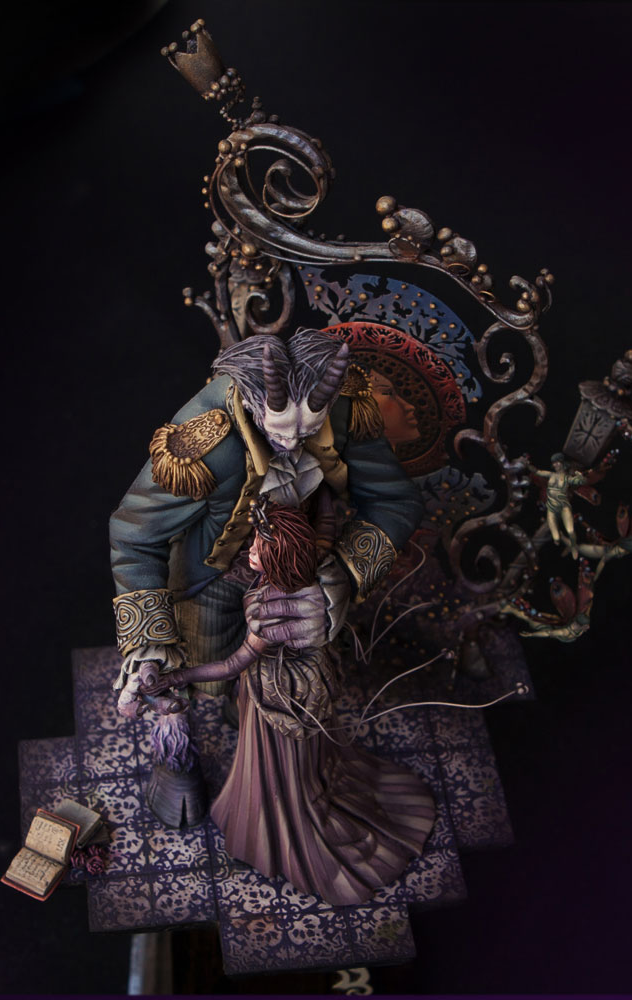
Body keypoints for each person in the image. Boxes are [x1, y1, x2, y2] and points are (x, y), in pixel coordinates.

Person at [109, 329, 424, 826]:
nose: (294, 445)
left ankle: (249, 719)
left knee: (268, 678)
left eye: (308, 431)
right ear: (250, 402)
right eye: (280, 434)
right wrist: (147, 644)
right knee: (176, 677)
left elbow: (394, 502)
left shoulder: (346, 407)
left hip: (300, 572)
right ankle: (174, 760)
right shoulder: (203, 441)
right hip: (209, 575)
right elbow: (133, 534)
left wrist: (340, 578)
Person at [140, 501, 435, 905]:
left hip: (272, 698)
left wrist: (179, 677)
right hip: (307, 690)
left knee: (278, 771)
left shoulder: (269, 610)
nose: (250, 551)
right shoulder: (311, 572)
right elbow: (326, 533)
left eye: (258, 548)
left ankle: (278, 835)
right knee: (305, 763)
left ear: (277, 556)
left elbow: (231, 665)